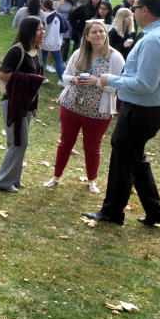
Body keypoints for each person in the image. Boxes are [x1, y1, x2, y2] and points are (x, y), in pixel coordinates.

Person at [82, 0, 160, 227]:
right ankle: (155, 211)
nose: (134, 12)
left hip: (141, 109)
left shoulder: (155, 39)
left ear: (145, 11)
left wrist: (111, 79)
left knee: (122, 158)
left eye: (136, 8)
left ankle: (112, 212)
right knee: (134, 157)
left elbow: (145, 84)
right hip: (150, 108)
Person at [45, 19, 125, 193]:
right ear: (87, 36)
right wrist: (72, 79)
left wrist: (97, 82)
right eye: (94, 32)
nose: (98, 35)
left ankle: (92, 181)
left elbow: (119, 86)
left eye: (102, 31)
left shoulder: (115, 58)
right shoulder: (79, 53)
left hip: (97, 113)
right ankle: (56, 176)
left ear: (106, 34)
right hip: (71, 106)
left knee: (92, 147)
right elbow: (65, 76)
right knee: (66, 142)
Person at [0, 16, 46, 193]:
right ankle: (3, 181)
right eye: (39, 29)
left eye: (43, 29)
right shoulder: (17, 50)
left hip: (28, 105)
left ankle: (14, 178)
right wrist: (28, 78)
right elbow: (3, 75)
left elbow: (37, 83)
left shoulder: (37, 51)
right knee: (18, 142)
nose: (43, 32)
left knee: (16, 142)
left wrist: (35, 104)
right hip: (14, 103)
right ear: (29, 31)